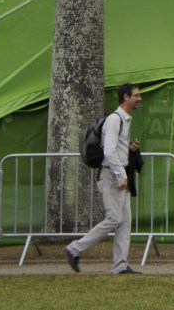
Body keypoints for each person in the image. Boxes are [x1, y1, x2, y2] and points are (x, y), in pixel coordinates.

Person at [66, 84, 143, 275]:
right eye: (136, 95)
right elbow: (108, 150)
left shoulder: (123, 119)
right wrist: (121, 174)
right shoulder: (115, 119)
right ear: (126, 97)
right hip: (112, 175)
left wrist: (129, 150)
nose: (139, 98)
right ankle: (75, 249)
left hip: (117, 172)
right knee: (115, 218)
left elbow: (114, 148)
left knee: (124, 221)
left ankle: (120, 265)